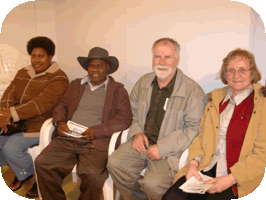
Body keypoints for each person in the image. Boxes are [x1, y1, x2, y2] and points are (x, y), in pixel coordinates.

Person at [107, 38, 206, 200]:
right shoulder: (143, 82)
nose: (161, 62)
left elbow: (194, 129)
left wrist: (162, 147)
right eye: (157, 56)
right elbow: (131, 112)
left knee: (152, 185)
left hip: (170, 151)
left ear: (177, 60)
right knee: (115, 164)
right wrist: (137, 133)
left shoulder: (193, 91)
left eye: (167, 57)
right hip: (141, 143)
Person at [162, 48, 266, 200]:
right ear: (225, 74)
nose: (236, 75)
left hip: (238, 178)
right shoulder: (215, 99)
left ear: (252, 73)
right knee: (171, 198)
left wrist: (231, 179)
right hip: (206, 168)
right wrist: (193, 164)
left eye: (242, 70)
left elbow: (261, 154)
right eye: (231, 70)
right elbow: (201, 137)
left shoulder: (262, 105)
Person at [35, 47, 132, 200]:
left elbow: (124, 118)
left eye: (99, 65)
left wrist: (98, 131)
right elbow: (61, 106)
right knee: (42, 163)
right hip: (68, 137)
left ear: (107, 67)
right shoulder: (75, 85)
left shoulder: (117, 90)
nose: (95, 70)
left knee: (92, 174)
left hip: (95, 142)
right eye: (91, 65)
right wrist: (59, 122)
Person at [0, 36, 69, 198]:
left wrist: (12, 113)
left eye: (41, 56)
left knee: (11, 148)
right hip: (16, 122)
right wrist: (5, 113)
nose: (36, 60)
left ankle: (30, 177)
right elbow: (9, 93)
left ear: (51, 56)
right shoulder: (23, 73)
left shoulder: (59, 78)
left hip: (39, 125)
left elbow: (41, 104)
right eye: (33, 55)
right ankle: (21, 170)